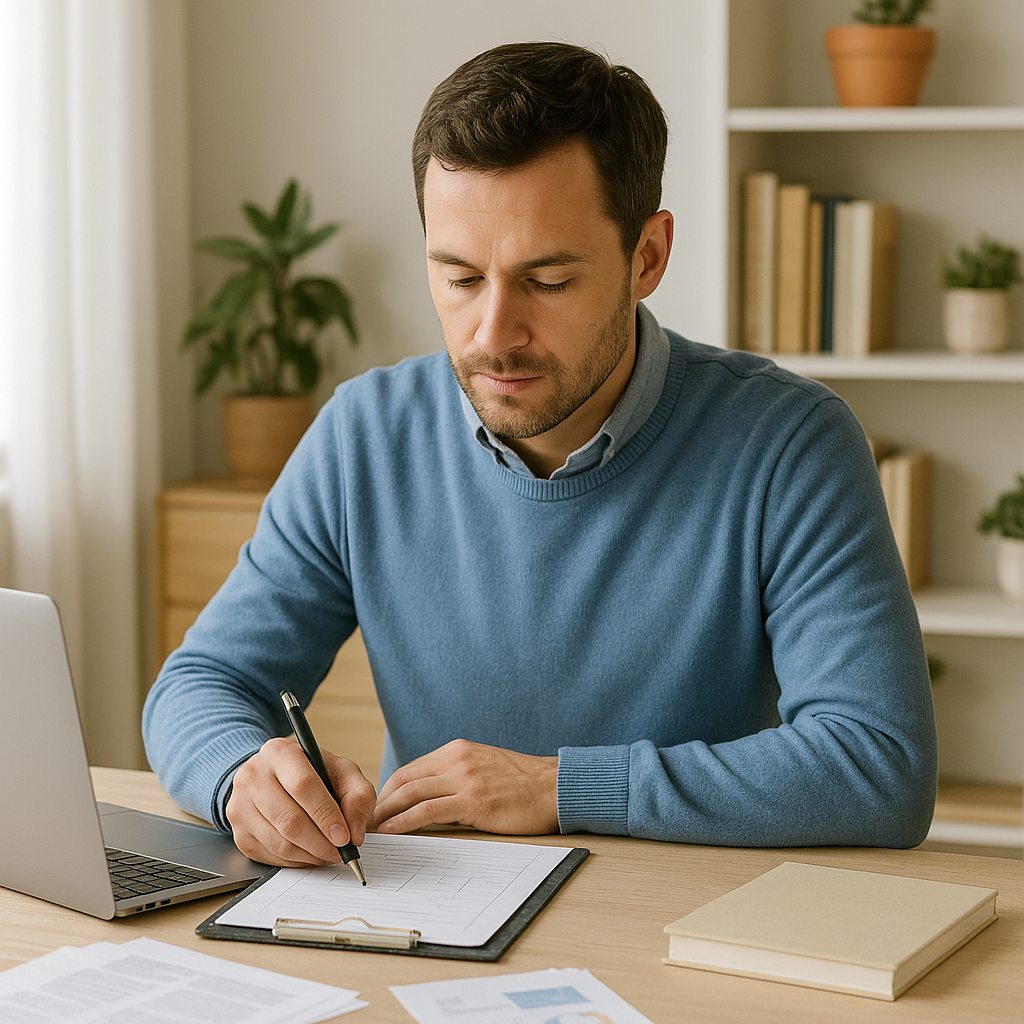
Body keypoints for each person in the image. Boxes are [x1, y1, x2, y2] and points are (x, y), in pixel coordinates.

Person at [143, 41, 937, 869]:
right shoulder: (364, 435)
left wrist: (560, 788)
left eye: (548, 281)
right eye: (458, 278)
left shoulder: (790, 443)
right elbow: (201, 684)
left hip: (680, 929)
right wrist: (242, 777)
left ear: (647, 258)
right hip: (434, 928)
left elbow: (879, 761)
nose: (493, 336)